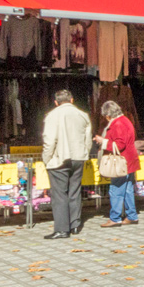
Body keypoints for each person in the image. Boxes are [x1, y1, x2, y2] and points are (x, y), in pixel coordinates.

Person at [41, 89, 92, 240]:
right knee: (74, 191)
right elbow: (87, 140)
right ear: (72, 100)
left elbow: (49, 141)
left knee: (59, 195)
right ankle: (75, 224)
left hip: (59, 158)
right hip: (79, 157)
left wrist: (46, 159)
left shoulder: (52, 115)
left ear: (56, 102)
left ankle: (62, 229)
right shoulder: (83, 115)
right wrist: (84, 154)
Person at [95, 100, 140, 227]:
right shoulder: (125, 120)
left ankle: (115, 218)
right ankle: (131, 216)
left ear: (108, 115)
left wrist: (103, 141)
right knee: (128, 189)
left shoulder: (118, 123)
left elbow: (119, 144)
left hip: (121, 163)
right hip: (129, 161)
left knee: (116, 189)